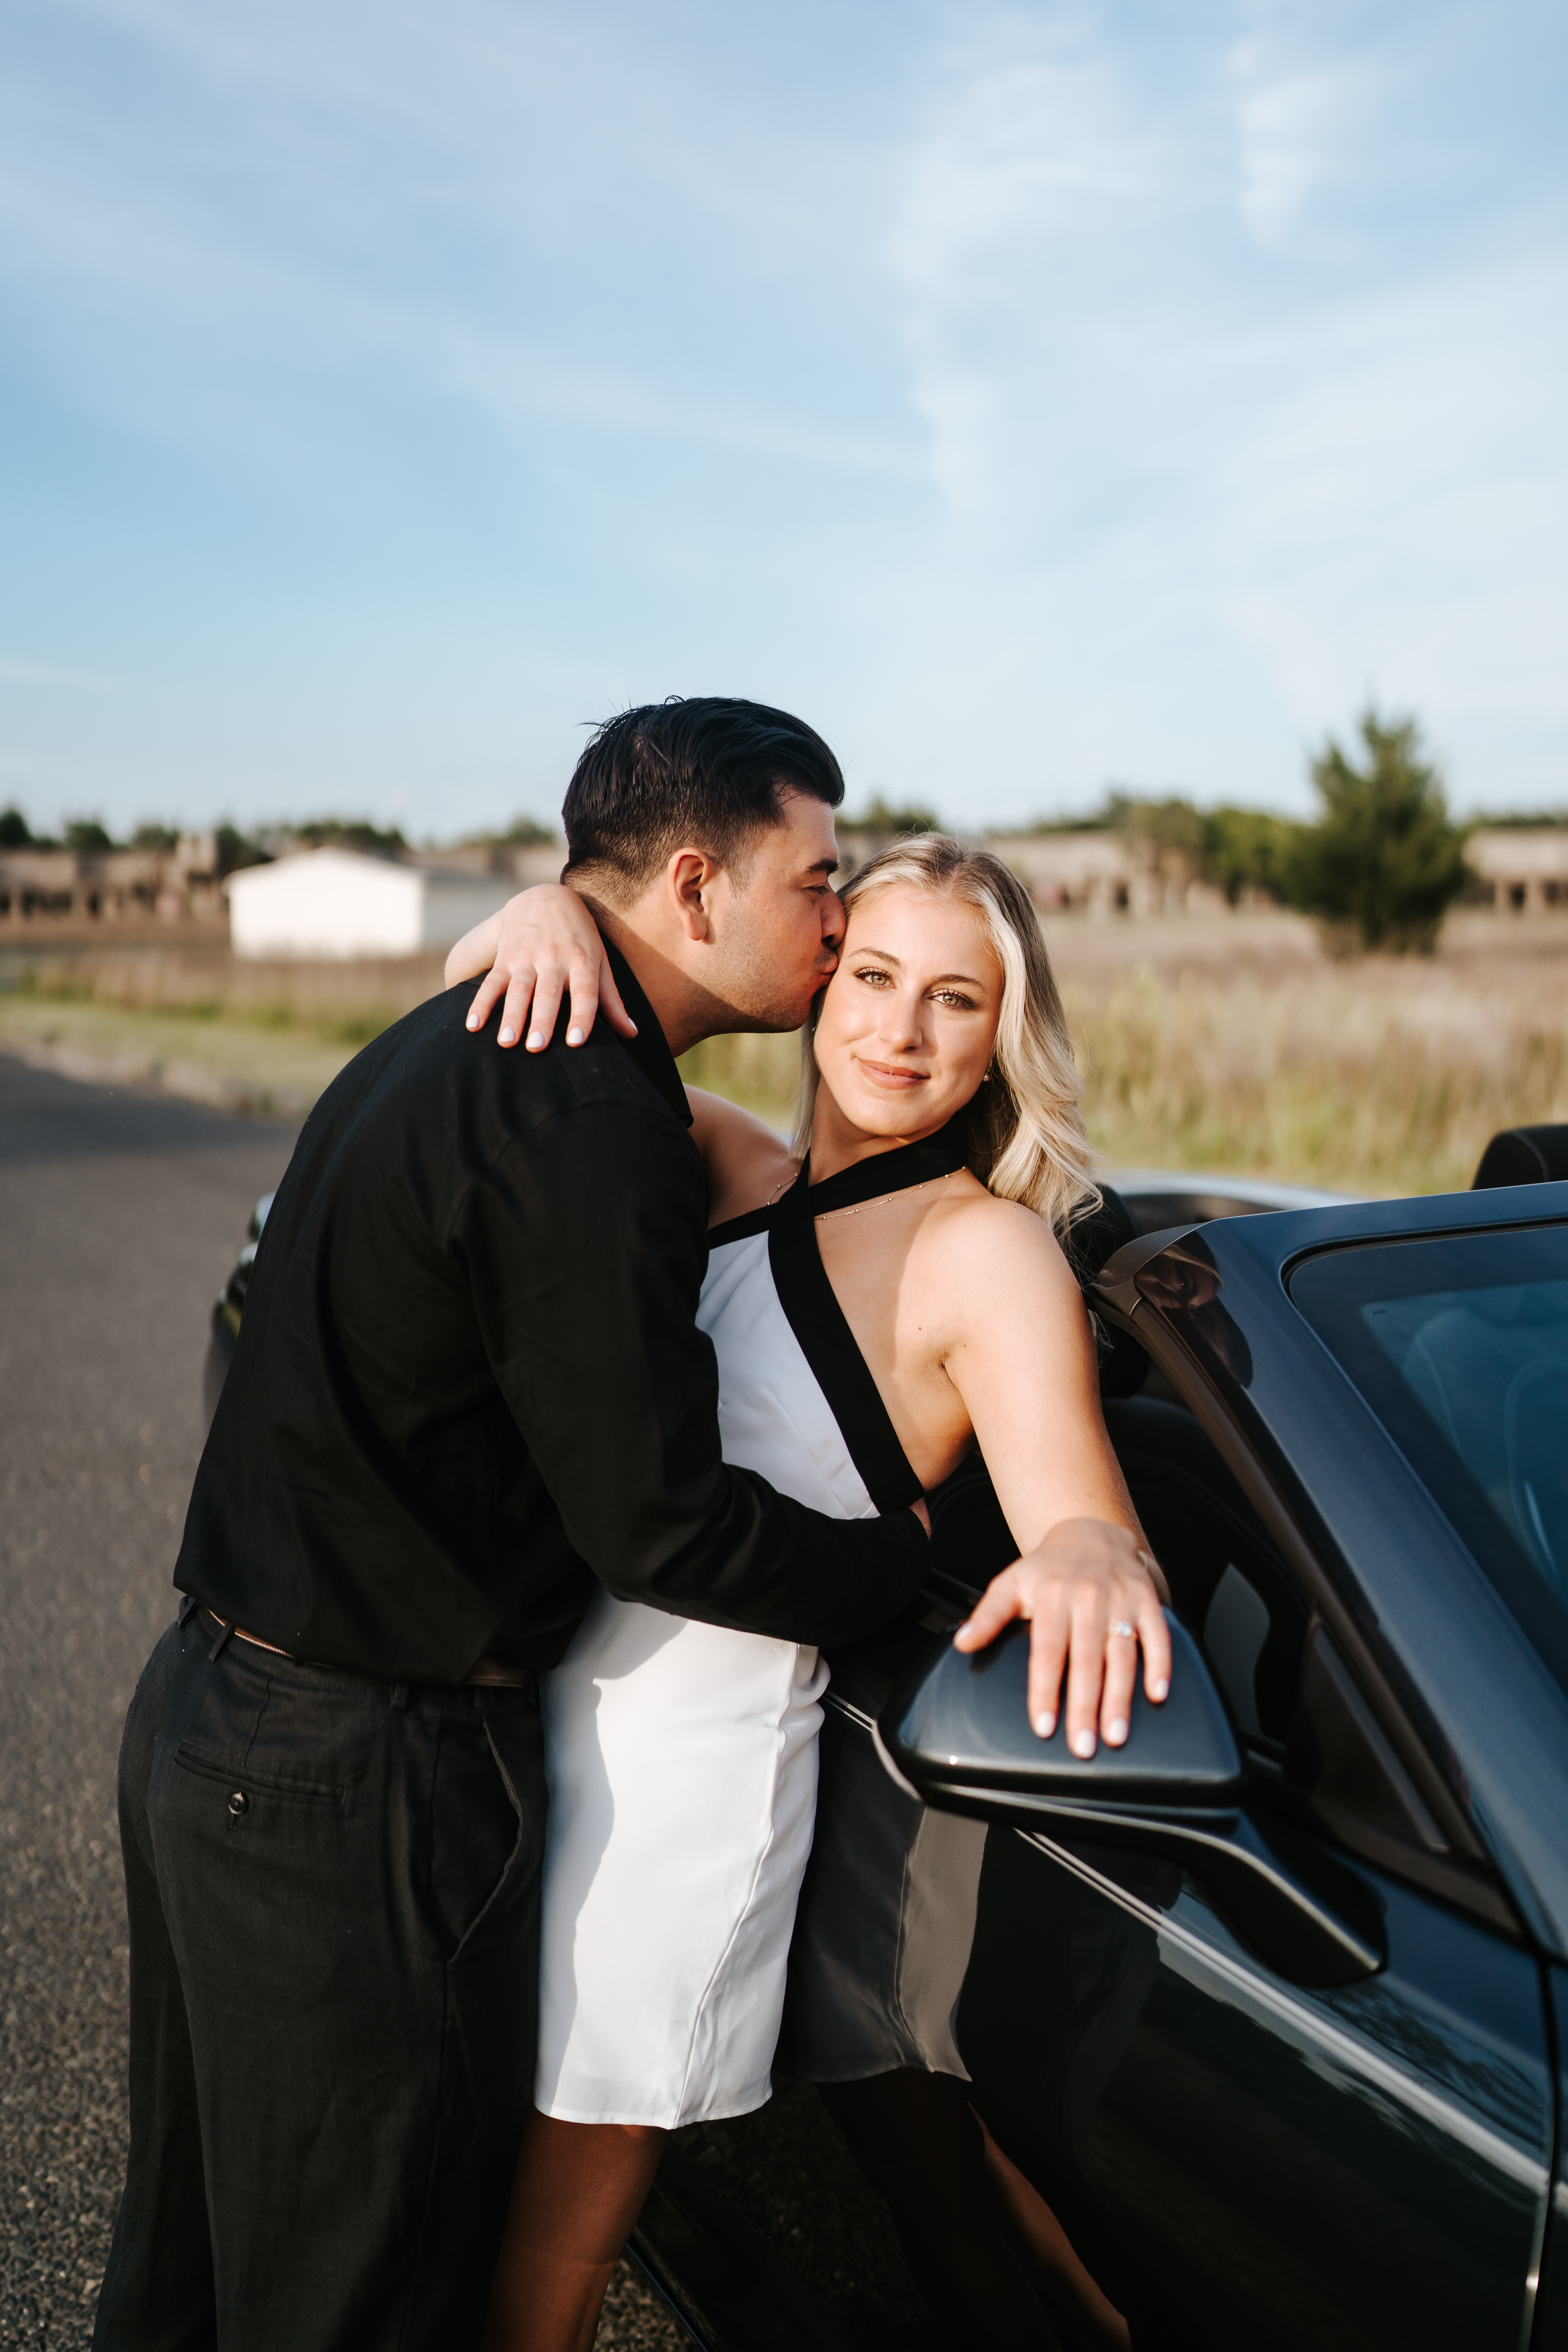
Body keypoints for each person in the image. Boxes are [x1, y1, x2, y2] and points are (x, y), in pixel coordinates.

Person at [95, 700, 942, 2352]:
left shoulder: (475, 1032)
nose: (838, 922)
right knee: (354, 2293)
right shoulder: (590, 1119)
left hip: (211, 1717)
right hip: (359, 1784)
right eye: (818, 880)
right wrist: (892, 1566)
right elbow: (662, 1527)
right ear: (694, 888)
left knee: (187, 2277)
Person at [448, 829, 1171, 2351]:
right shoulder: (728, 1165)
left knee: (553, 2249)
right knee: (479, 2170)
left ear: (1000, 1045)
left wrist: (1098, 1555)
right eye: (878, 976)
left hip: (687, 1789)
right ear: (822, 977)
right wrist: (544, 914)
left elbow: (1076, 1513)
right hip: (549, 1749)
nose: (900, 1031)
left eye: (956, 1002)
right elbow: (486, 1007)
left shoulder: (985, 1251)